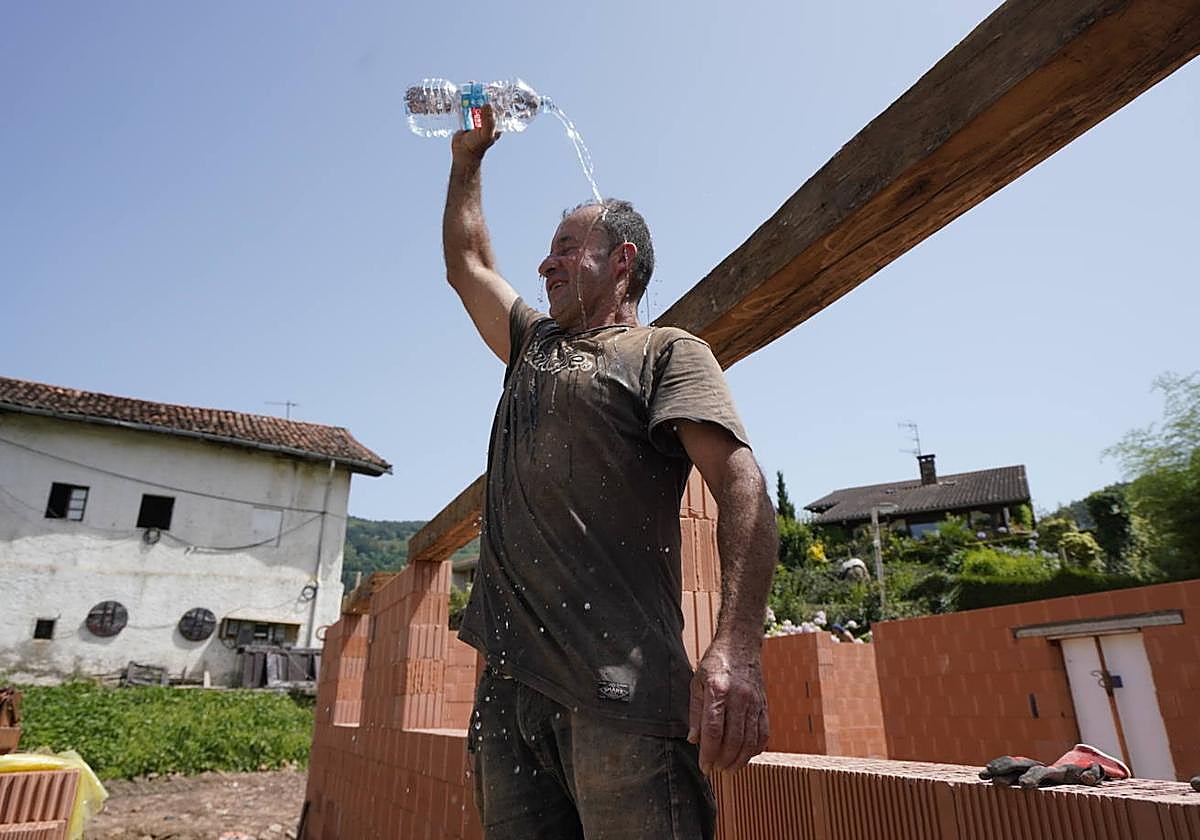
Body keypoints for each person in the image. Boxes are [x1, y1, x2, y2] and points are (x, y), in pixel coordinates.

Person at [443, 105, 778, 840]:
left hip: (620, 696)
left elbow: (742, 485)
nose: (545, 263)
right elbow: (469, 265)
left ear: (620, 260)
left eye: (567, 247)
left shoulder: (665, 354)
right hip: (508, 693)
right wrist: (469, 159)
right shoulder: (532, 344)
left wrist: (736, 648)